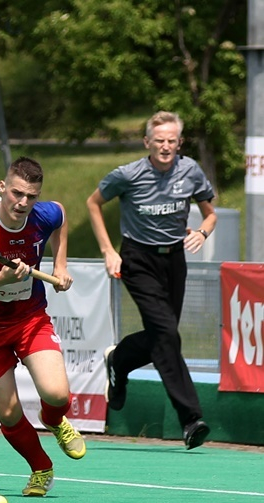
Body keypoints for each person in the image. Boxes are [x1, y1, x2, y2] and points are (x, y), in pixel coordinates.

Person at [0, 156, 85, 497]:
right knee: (8, 413)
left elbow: (62, 216)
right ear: (3, 188)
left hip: (29, 319)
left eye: (31, 196)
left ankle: (54, 420)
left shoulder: (41, 216)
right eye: (18, 194)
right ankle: (41, 468)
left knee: (56, 395)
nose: (23, 203)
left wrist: (61, 265)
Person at [86, 111, 215, 450]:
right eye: (159, 140)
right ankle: (190, 418)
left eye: (172, 141)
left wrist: (202, 231)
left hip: (174, 259)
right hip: (137, 259)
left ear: (179, 143)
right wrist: (107, 251)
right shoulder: (128, 175)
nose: (165, 146)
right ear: (147, 142)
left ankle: (120, 360)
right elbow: (94, 203)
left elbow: (211, 211)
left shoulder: (191, 171)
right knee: (166, 333)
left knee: (163, 335)